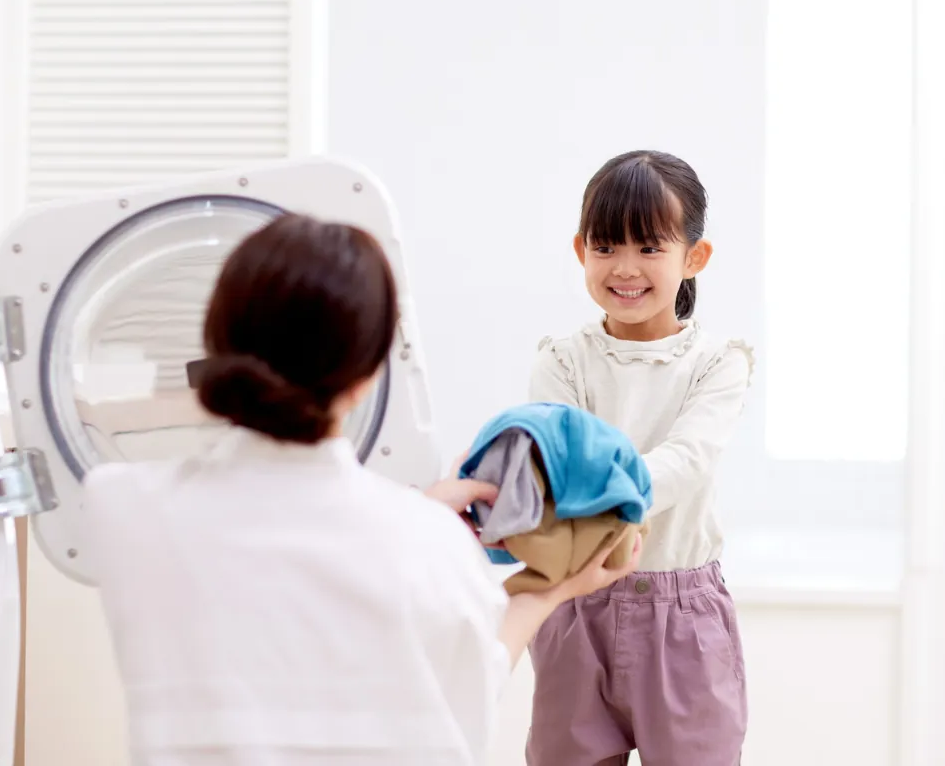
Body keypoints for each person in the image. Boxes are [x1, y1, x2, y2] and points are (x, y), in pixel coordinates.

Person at [83, 213, 642, 766]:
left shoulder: (122, 507)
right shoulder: (432, 544)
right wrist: (546, 593)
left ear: (213, 348)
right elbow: (466, 710)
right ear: (368, 377)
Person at [526, 150, 754, 765]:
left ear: (694, 257)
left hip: (682, 618)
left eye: (650, 248)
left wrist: (590, 492)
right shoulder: (563, 361)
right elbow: (553, 464)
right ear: (582, 252)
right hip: (575, 606)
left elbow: (686, 460)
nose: (625, 268)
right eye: (606, 247)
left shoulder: (718, 362)